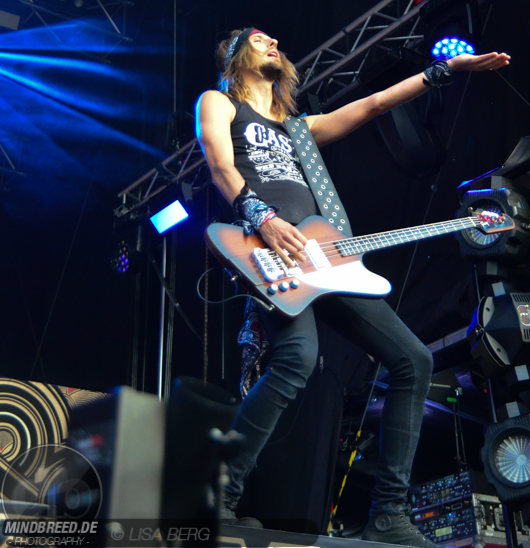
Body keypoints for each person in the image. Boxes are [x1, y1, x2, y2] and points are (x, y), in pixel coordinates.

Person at [197, 27, 510, 547]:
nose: (274, 44)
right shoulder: (220, 102)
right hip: (268, 250)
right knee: (297, 358)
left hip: (325, 258)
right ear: (233, 55)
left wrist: (443, 71)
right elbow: (220, 165)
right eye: (259, 40)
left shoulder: (298, 128)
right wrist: (263, 218)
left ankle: (389, 514)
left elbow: (373, 104)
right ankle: (218, 494)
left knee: (414, 361)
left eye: (276, 41)